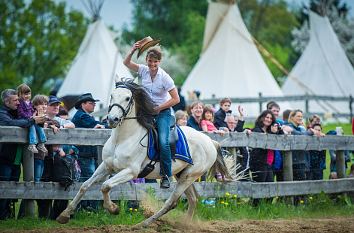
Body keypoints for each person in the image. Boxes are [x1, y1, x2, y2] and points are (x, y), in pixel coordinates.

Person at [124, 40, 180, 189]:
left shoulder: (165, 77)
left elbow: (176, 99)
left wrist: (159, 108)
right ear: (146, 60)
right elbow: (126, 63)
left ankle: (166, 175)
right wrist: (132, 50)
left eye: (155, 62)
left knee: (163, 141)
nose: (152, 64)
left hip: (163, 112)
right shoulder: (143, 70)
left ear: (159, 62)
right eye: (150, 61)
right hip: (147, 111)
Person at [0, 89, 46, 220]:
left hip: (16, 158)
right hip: (4, 158)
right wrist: (32, 120)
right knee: (4, 187)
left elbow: (33, 122)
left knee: (13, 188)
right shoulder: (2, 113)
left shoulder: (18, 112)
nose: (18, 103)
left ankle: (8, 216)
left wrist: (39, 119)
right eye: (15, 100)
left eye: (18, 100)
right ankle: (2, 217)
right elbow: (10, 123)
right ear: (6, 101)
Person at [72, 93, 106, 210]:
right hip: (84, 154)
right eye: (91, 103)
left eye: (94, 103)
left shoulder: (84, 115)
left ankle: (85, 207)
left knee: (88, 179)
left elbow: (96, 125)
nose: (94, 105)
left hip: (87, 154)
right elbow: (96, 125)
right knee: (89, 179)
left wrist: (103, 123)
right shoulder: (82, 116)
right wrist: (108, 123)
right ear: (83, 104)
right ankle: (88, 208)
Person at [16, 84, 47, 154]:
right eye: (25, 94)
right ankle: (32, 144)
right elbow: (20, 112)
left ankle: (42, 143)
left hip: (31, 119)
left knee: (39, 126)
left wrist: (35, 115)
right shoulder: (20, 103)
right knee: (32, 126)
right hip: (23, 120)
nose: (27, 96)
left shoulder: (30, 103)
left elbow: (32, 110)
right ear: (20, 94)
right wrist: (29, 117)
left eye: (29, 94)